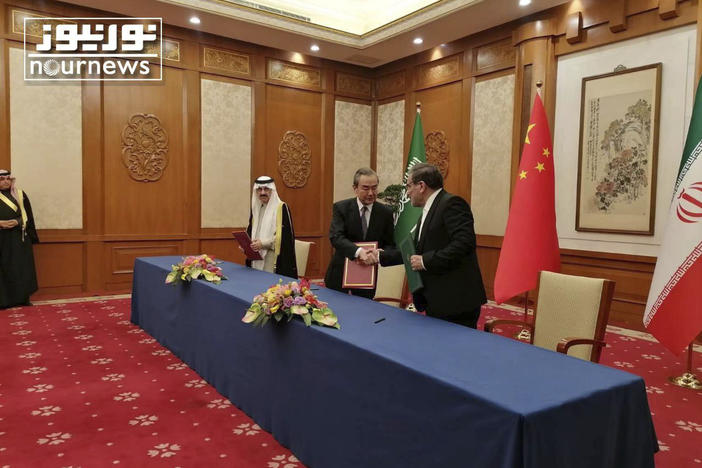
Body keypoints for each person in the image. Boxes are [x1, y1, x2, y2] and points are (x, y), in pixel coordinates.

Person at [384, 163, 486, 328]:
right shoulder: (428, 210)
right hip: (438, 299)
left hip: (456, 302)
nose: (407, 192)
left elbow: (464, 244)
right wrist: (379, 255)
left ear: (422, 186)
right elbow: (415, 250)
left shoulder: (452, 204)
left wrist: (425, 261)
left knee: (456, 352)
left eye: (409, 186)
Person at [324, 167, 397, 299]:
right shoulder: (341, 208)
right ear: (355, 188)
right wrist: (359, 252)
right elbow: (336, 237)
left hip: (368, 275)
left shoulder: (385, 213)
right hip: (340, 274)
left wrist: (380, 253)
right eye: (365, 188)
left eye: (374, 188)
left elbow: (391, 244)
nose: (370, 193)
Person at [245, 176, 298, 278]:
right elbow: (251, 230)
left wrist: (263, 244)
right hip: (255, 257)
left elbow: (284, 238)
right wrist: (245, 244)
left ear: (272, 190)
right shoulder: (256, 208)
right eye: (259, 189)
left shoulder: (281, 208)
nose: (262, 192)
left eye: (266, 189)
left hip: (272, 259)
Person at [0, 170, 39, 308]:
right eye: (2, 179)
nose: (5, 181)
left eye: (7, 179)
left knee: (20, 267)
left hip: (18, 237)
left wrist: (18, 222)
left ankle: (22, 298)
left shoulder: (20, 195)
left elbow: (28, 215)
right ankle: (3, 301)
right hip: (1, 238)